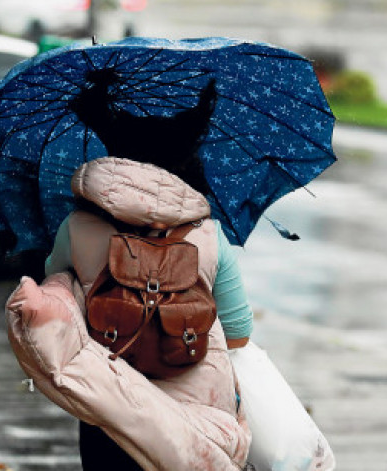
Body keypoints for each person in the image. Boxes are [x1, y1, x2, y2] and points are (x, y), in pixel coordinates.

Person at [42, 77, 254, 470]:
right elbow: (239, 331)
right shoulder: (209, 235)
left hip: (109, 404)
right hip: (199, 416)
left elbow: (56, 299)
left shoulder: (77, 229)